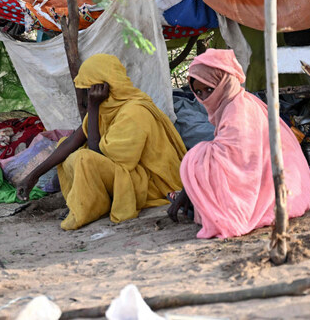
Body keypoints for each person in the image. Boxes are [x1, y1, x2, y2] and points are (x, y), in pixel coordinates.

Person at [16, 54, 187, 230]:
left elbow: (96, 154)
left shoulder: (134, 112)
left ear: (104, 86)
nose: (86, 94)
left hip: (150, 184)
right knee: (64, 147)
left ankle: (89, 210)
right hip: (127, 176)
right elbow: (72, 142)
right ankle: (88, 203)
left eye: (88, 88)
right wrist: (32, 176)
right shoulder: (107, 107)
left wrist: (93, 106)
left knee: (84, 158)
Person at [168, 49, 310, 239]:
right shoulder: (236, 102)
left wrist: (190, 187)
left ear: (224, 83)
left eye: (210, 89)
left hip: (283, 189)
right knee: (205, 155)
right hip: (280, 181)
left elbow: (240, 167)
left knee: (199, 155)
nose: (204, 98)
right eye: (199, 92)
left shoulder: (238, 110)